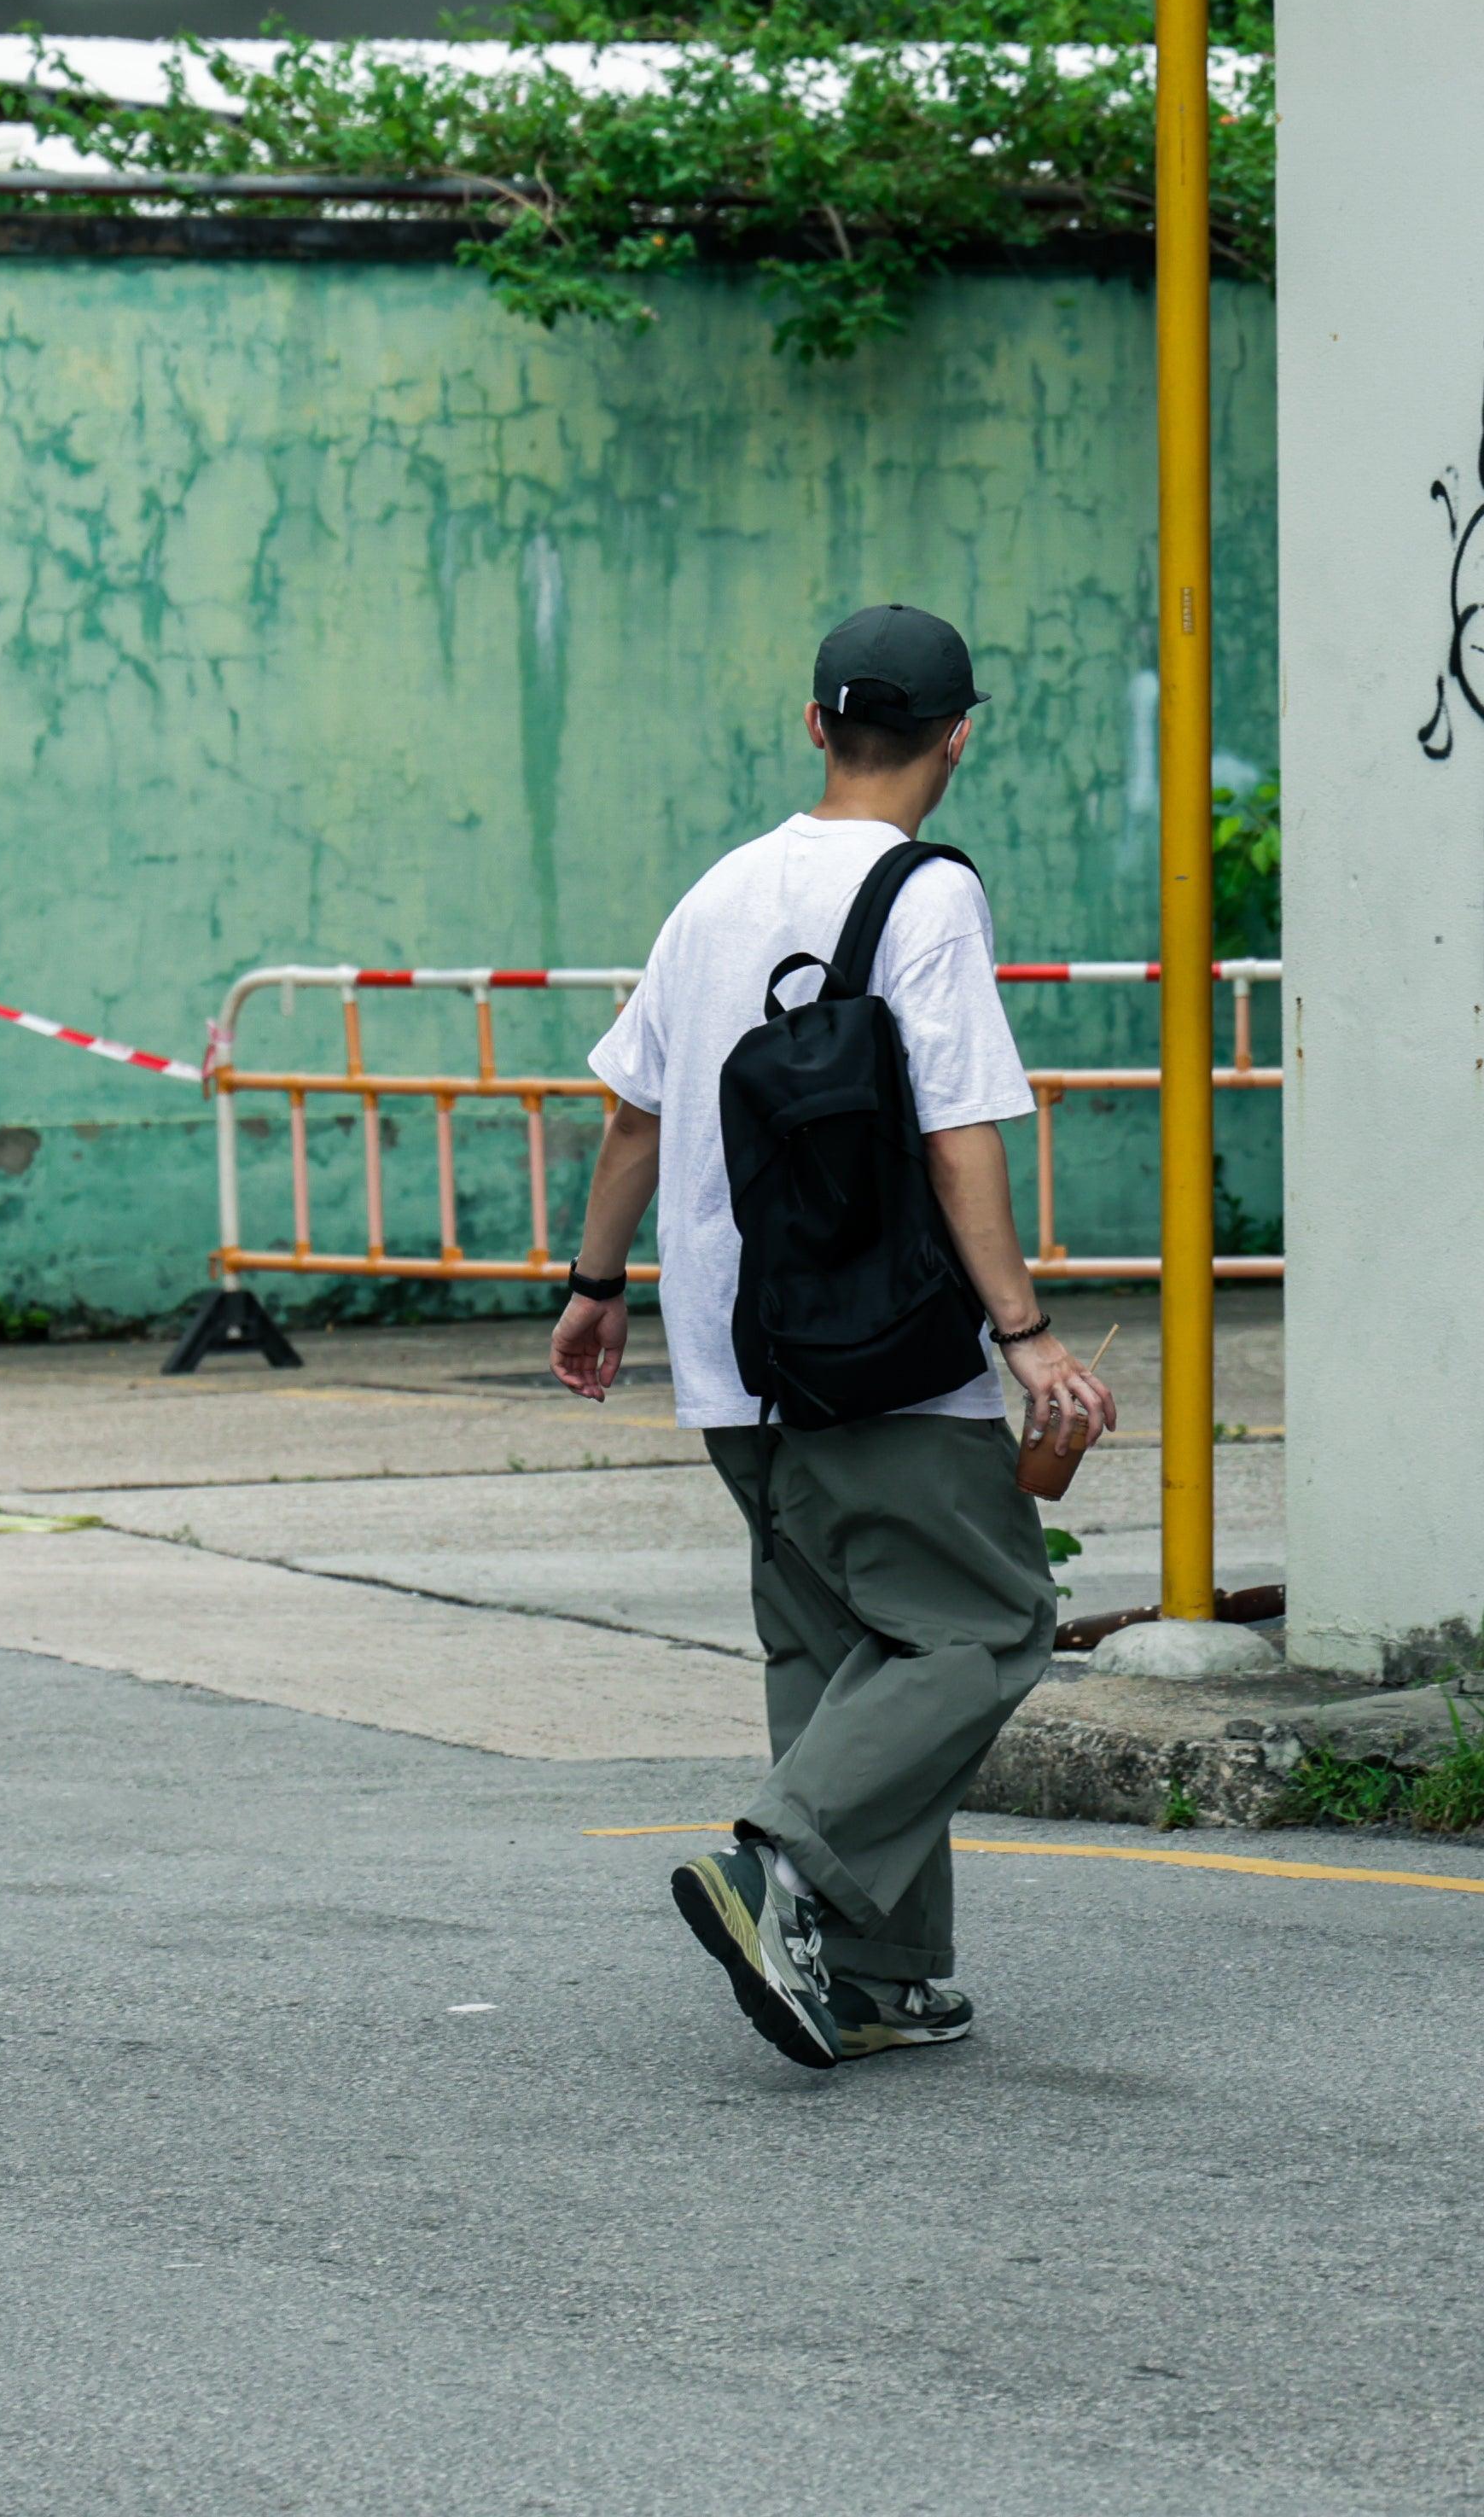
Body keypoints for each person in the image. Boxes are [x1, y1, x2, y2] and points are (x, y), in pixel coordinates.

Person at [548, 604, 1119, 2071]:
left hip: (736, 1355)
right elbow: (959, 1130)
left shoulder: (717, 892)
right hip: (885, 1348)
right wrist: (1027, 1333)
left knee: (835, 1648)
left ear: (816, 726)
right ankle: (783, 1867)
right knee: (984, 1623)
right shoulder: (928, 896)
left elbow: (633, 1110)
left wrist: (595, 1282)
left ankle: (873, 1976)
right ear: (958, 736)